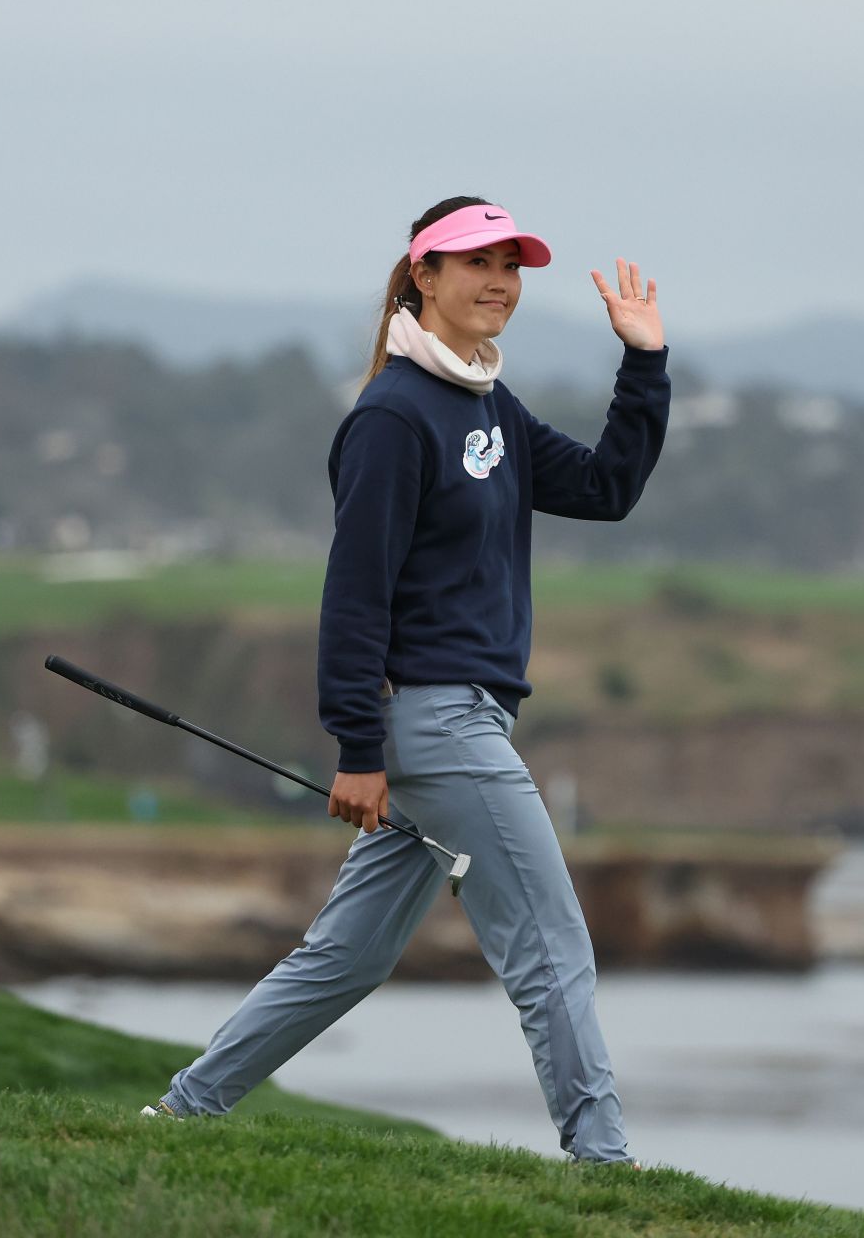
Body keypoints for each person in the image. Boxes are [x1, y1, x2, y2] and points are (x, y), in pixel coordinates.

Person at [144, 197, 670, 1165]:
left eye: (512, 264)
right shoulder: (393, 414)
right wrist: (357, 748)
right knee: (552, 944)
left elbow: (605, 489)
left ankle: (182, 1111)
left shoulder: (487, 402)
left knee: (349, 954)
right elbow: (356, 594)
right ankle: (604, 1162)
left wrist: (642, 363)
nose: (499, 279)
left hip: (462, 722)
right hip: (436, 723)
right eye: (476, 261)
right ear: (422, 275)